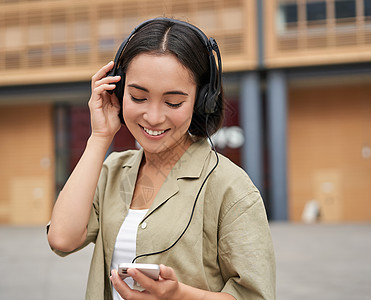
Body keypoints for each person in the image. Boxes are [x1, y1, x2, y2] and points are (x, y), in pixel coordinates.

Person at [47, 17, 276, 300]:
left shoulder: (231, 188)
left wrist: (179, 295)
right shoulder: (113, 171)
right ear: (118, 92)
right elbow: (62, 239)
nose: (153, 117)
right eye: (138, 97)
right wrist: (99, 136)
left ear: (202, 99)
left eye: (173, 102)